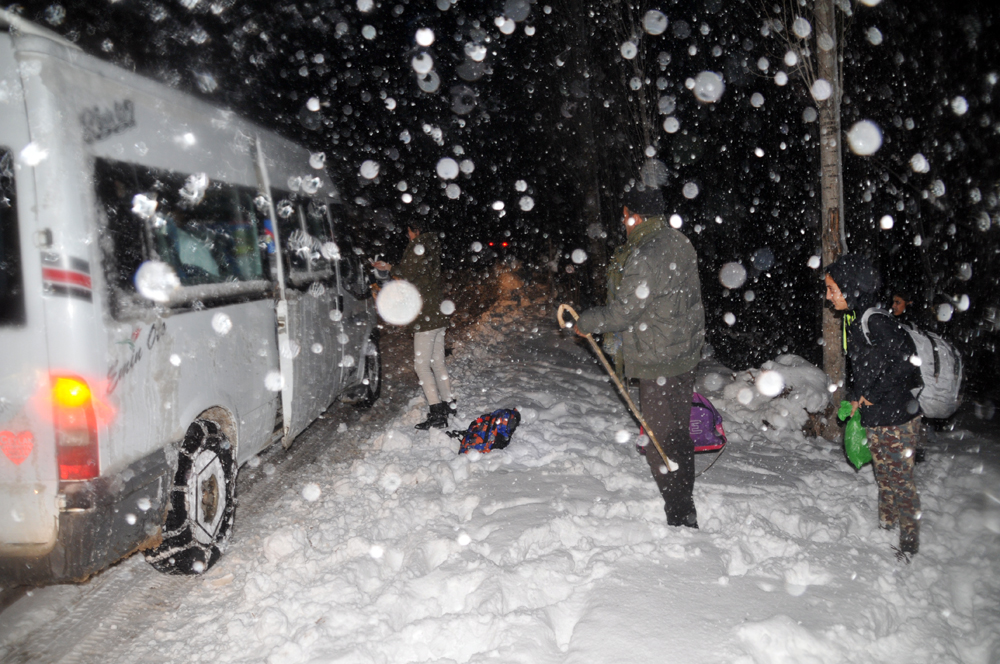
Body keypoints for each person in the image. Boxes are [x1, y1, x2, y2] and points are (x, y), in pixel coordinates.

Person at [575, 187, 706, 528]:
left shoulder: (646, 254)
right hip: (682, 355)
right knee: (677, 434)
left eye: (625, 215)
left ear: (636, 216)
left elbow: (622, 314)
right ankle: (684, 499)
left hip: (659, 360)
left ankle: (679, 513)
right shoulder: (679, 242)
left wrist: (587, 320)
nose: (624, 222)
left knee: (658, 443)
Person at [825, 254, 923, 555]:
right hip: (878, 416)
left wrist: (875, 394)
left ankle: (909, 546)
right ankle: (886, 528)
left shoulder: (876, 320)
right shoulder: (857, 321)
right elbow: (865, 369)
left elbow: (907, 361)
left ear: (850, 287)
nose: (829, 296)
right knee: (885, 477)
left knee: (900, 481)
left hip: (897, 417)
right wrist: (855, 397)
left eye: (832, 289)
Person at [373, 225, 454, 430]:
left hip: (425, 316)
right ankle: (448, 404)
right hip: (437, 312)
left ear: (414, 230)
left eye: (408, 231)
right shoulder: (432, 244)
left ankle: (437, 412)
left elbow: (408, 275)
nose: (407, 235)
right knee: (437, 362)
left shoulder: (418, 246)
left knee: (421, 366)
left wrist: (390, 269)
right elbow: (416, 275)